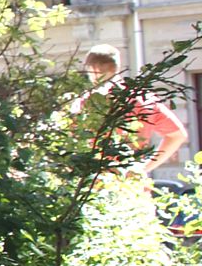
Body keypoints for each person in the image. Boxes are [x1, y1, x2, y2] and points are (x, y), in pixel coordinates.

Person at [76, 43, 189, 174]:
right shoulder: (145, 98)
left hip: (97, 184)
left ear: (93, 69)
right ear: (117, 67)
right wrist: (143, 168)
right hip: (133, 184)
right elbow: (178, 135)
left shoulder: (87, 102)